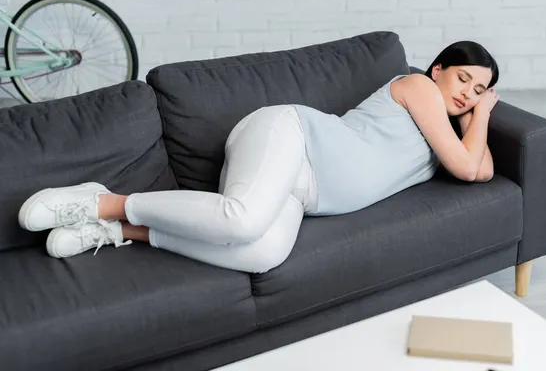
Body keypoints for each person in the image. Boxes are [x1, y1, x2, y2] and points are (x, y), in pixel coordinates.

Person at [17, 40, 500, 274]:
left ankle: (120, 230)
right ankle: (102, 201)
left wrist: (481, 113)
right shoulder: (417, 86)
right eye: (463, 79)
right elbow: (466, 166)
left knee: (263, 254)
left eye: (479, 90)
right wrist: (481, 112)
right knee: (243, 220)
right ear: (438, 69)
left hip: (302, 190)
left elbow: (479, 170)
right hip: (291, 136)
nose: (468, 94)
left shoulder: (454, 134)